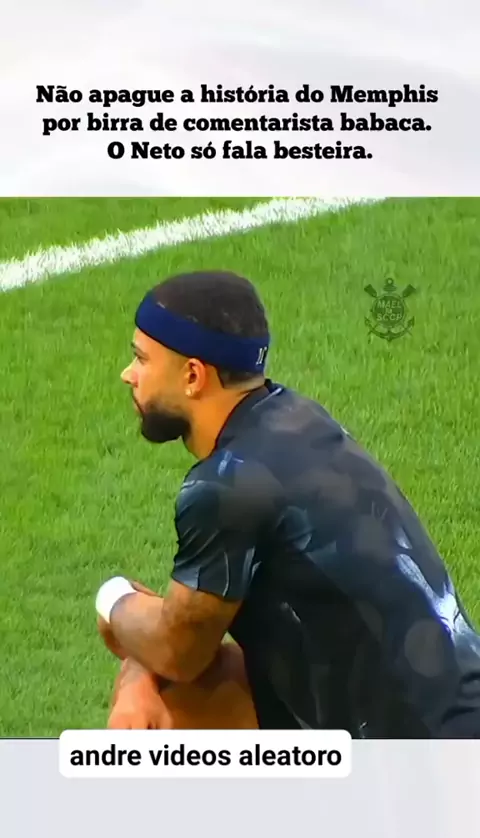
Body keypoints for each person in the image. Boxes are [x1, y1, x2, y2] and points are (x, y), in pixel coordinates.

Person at [96, 270, 480, 736]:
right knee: (172, 692)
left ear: (193, 376)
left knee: (154, 722)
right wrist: (140, 671)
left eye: (141, 358)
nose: (128, 374)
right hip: (446, 713)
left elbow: (178, 650)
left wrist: (112, 598)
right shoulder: (296, 419)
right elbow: (182, 638)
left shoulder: (229, 484)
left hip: (431, 754)